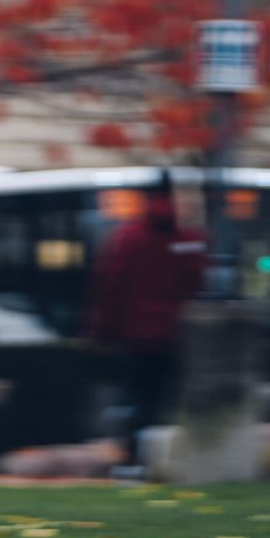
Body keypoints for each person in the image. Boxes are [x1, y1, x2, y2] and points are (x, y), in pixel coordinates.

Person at [86, 171, 207, 477]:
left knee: (141, 399)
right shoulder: (189, 238)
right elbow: (197, 282)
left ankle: (138, 458)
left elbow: (111, 286)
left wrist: (103, 331)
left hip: (137, 334)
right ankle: (175, 458)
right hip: (178, 334)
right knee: (175, 400)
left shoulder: (130, 237)